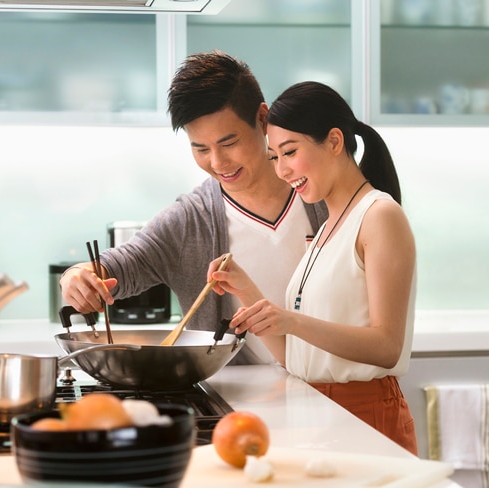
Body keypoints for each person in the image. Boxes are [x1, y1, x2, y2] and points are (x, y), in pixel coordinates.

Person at [59, 51, 327, 365]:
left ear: (262, 118)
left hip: (328, 388)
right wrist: (77, 277)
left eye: (229, 143)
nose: (217, 162)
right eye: (200, 148)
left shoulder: (321, 195)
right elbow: (117, 266)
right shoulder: (190, 221)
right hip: (235, 397)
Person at [207, 81, 418, 454]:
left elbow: (387, 346)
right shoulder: (326, 227)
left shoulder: (379, 215)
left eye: (289, 152)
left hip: (365, 416)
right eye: (274, 157)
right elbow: (296, 357)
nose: (282, 170)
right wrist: (246, 291)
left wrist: (291, 321)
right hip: (314, 413)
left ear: (334, 142)